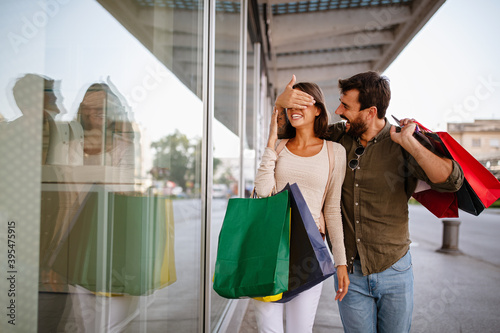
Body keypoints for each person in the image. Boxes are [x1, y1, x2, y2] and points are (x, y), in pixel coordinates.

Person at [275, 71, 464, 332]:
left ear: (370, 111)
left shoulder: (402, 143)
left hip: (394, 268)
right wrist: (281, 103)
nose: (339, 110)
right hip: (351, 274)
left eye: (346, 106)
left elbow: (452, 180)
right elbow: (288, 137)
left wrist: (411, 142)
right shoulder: (337, 137)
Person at [253, 81, 349, 333]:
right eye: (291, 104)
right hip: (270, 247)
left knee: (300, 329)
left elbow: (332, 210)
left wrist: (341, 262)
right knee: (267, 328)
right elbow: (262, 194)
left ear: (318, 109)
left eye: (302, 102)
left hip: (309, 251)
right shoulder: (279, 147)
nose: (294, 109)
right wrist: (271, 140)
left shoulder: (335, 152)